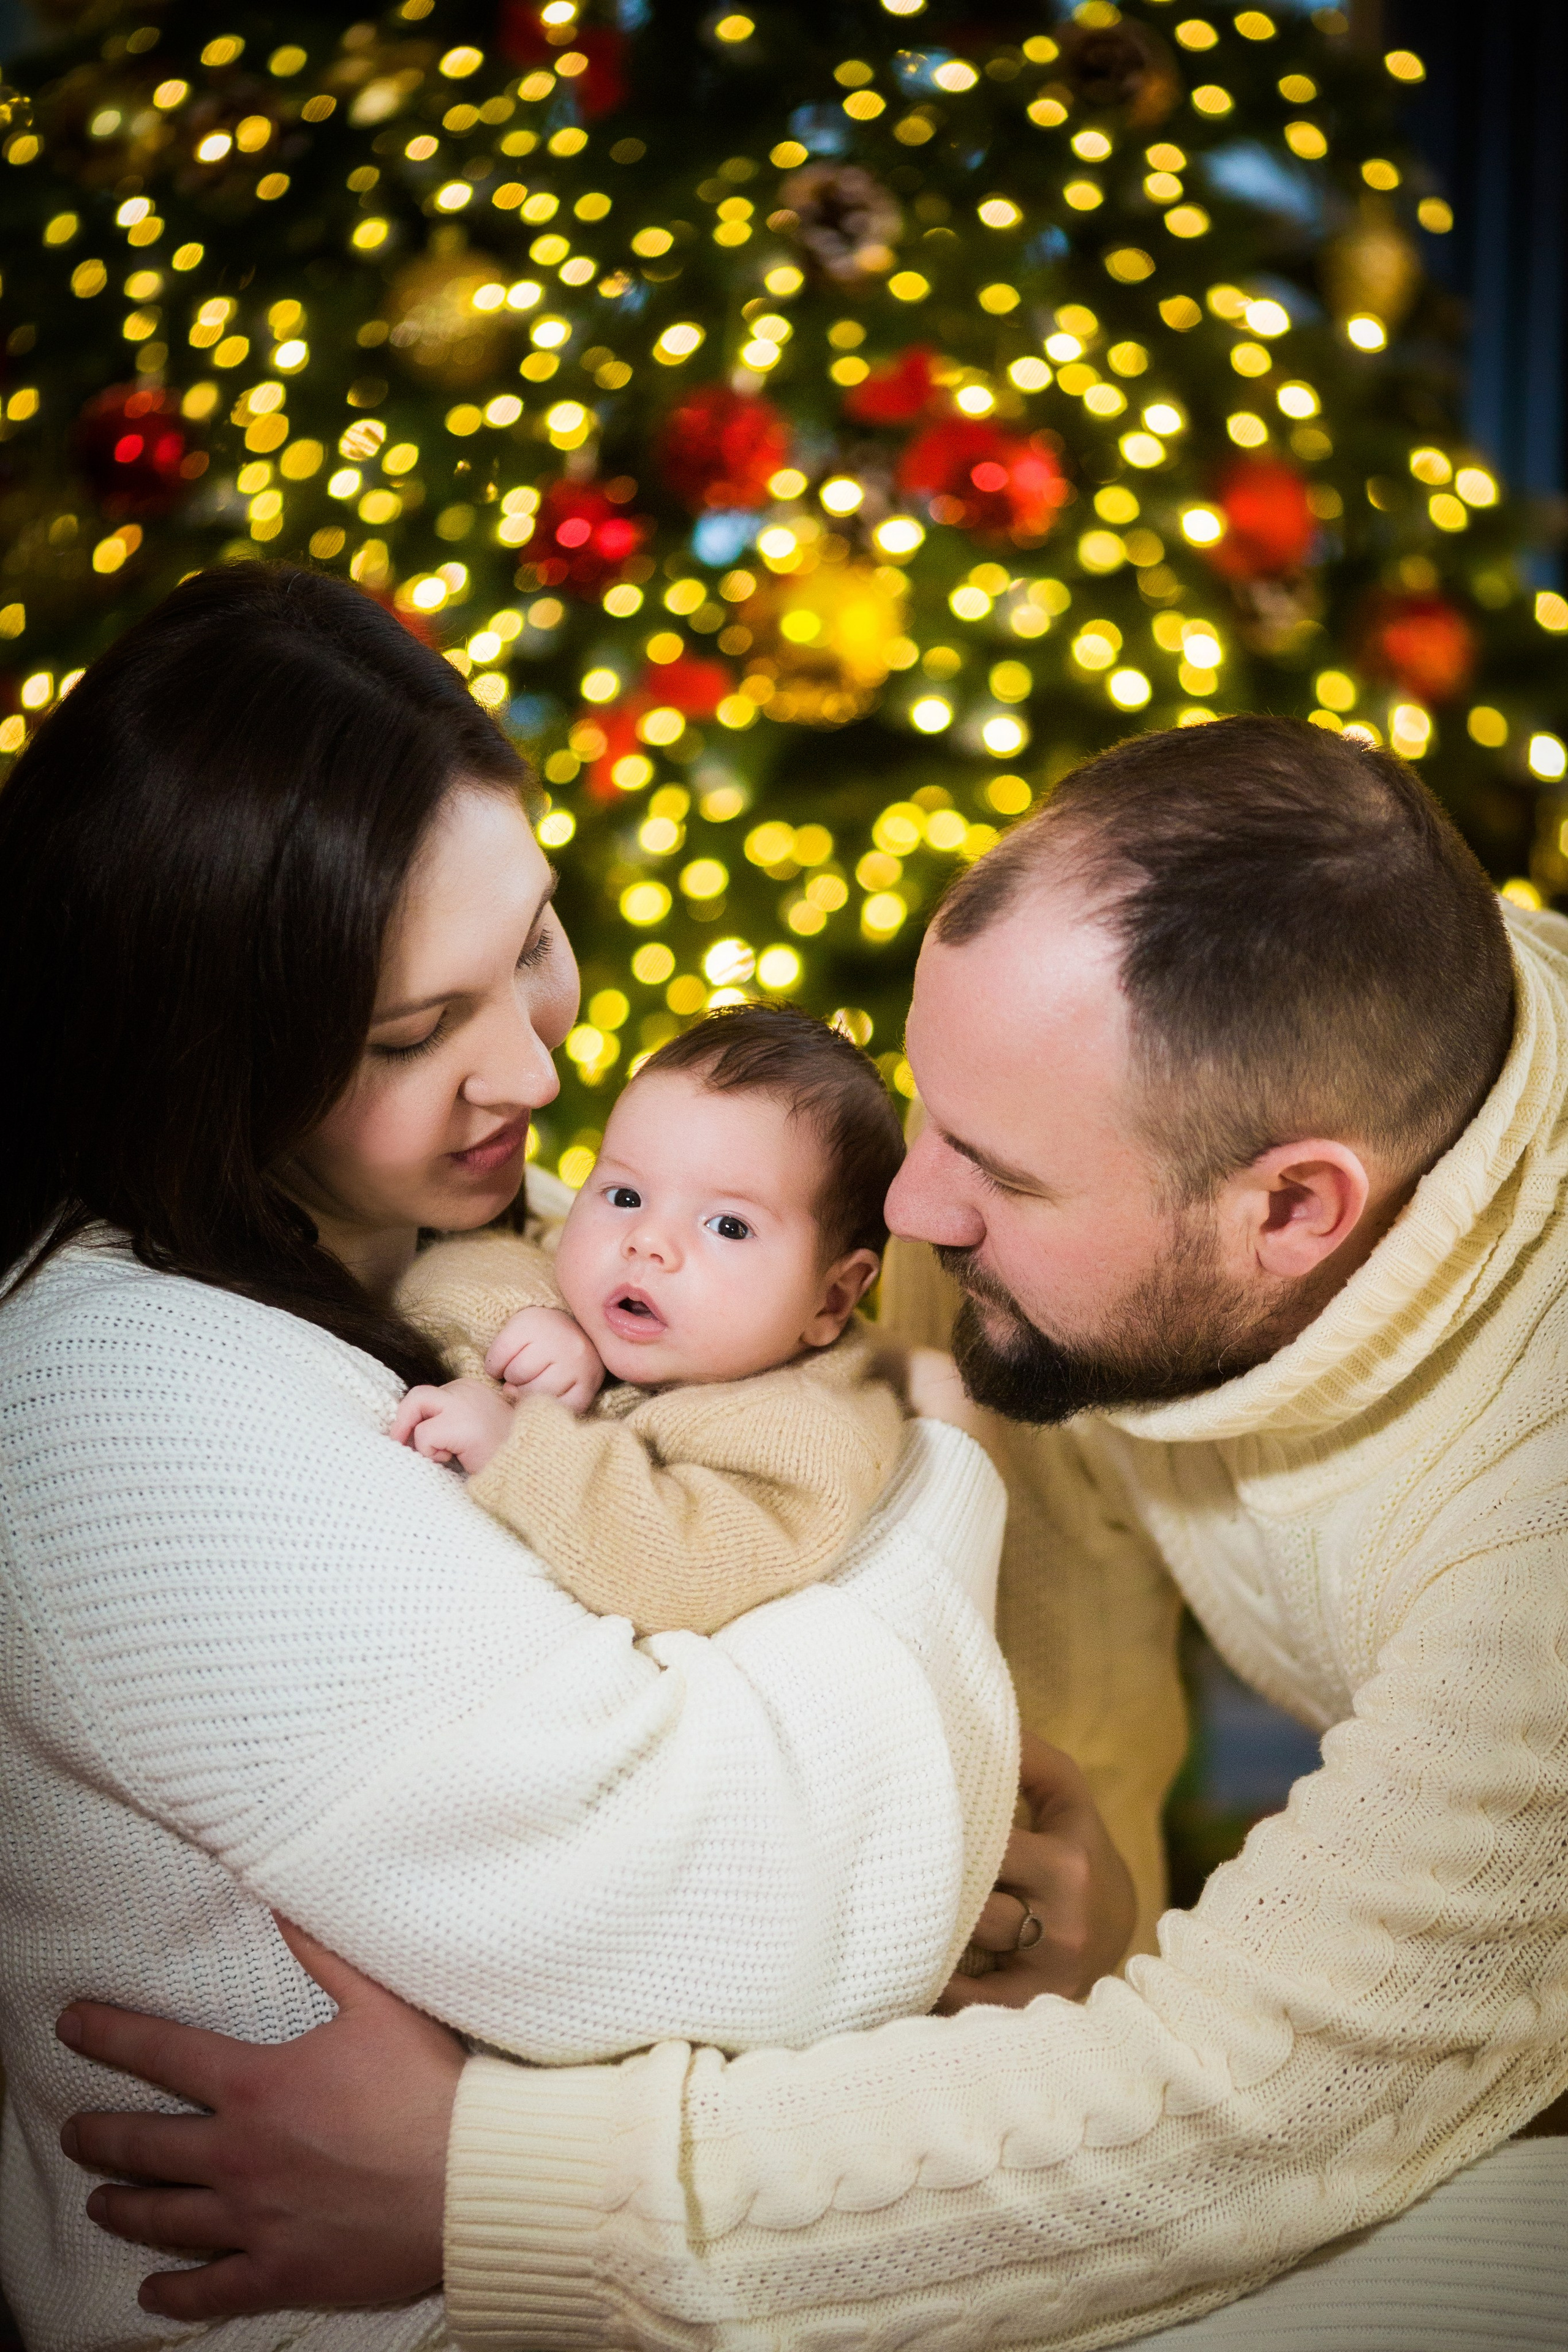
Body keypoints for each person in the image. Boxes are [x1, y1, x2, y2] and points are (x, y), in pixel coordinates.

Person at [63, 716, 1568, 2348]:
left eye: (989, 1171)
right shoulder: (1163, 1116)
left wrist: (488, 2182)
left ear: (1292, 1209)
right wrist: (1068, 1920)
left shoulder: (1534, 1558)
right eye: (925, 1111)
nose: (903, 1215)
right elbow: (1050, 1710)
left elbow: (1274, 2092)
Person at [0, 563, 1028, 2352]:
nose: (541, 1065)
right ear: (199, 1057)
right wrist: (931, 1467)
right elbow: (783, 1907)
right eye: (414, 1036)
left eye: (535, 938)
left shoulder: (494, 1238)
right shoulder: (120, 1409)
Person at [389, 1003, 948, 1638]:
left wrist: (520, 1447)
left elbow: (686, 1570)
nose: (647, 1240)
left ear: (831, 1301)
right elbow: (437, 1278)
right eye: (625, 1196)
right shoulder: (574, 1287)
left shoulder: (811, 1431)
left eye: (728, 1226)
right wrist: (540, 1320)